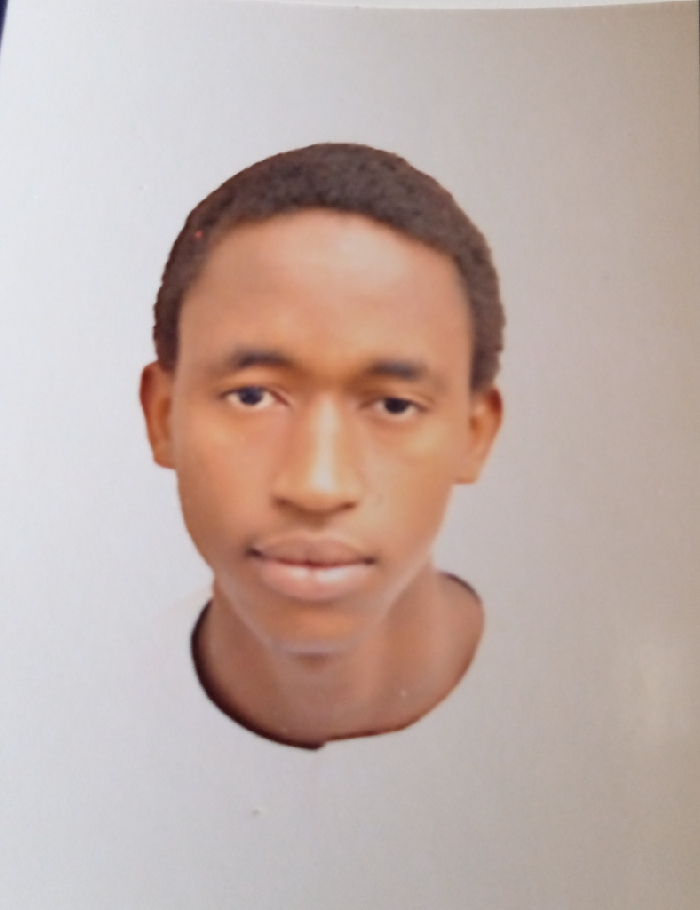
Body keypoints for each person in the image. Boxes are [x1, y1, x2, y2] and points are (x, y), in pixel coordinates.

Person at [140, 143, 504, 749]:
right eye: (252, 396)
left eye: (393, 405)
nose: (317, 485)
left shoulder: (586, 702)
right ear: (162, 416)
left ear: (475, 435)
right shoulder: (61, 732)